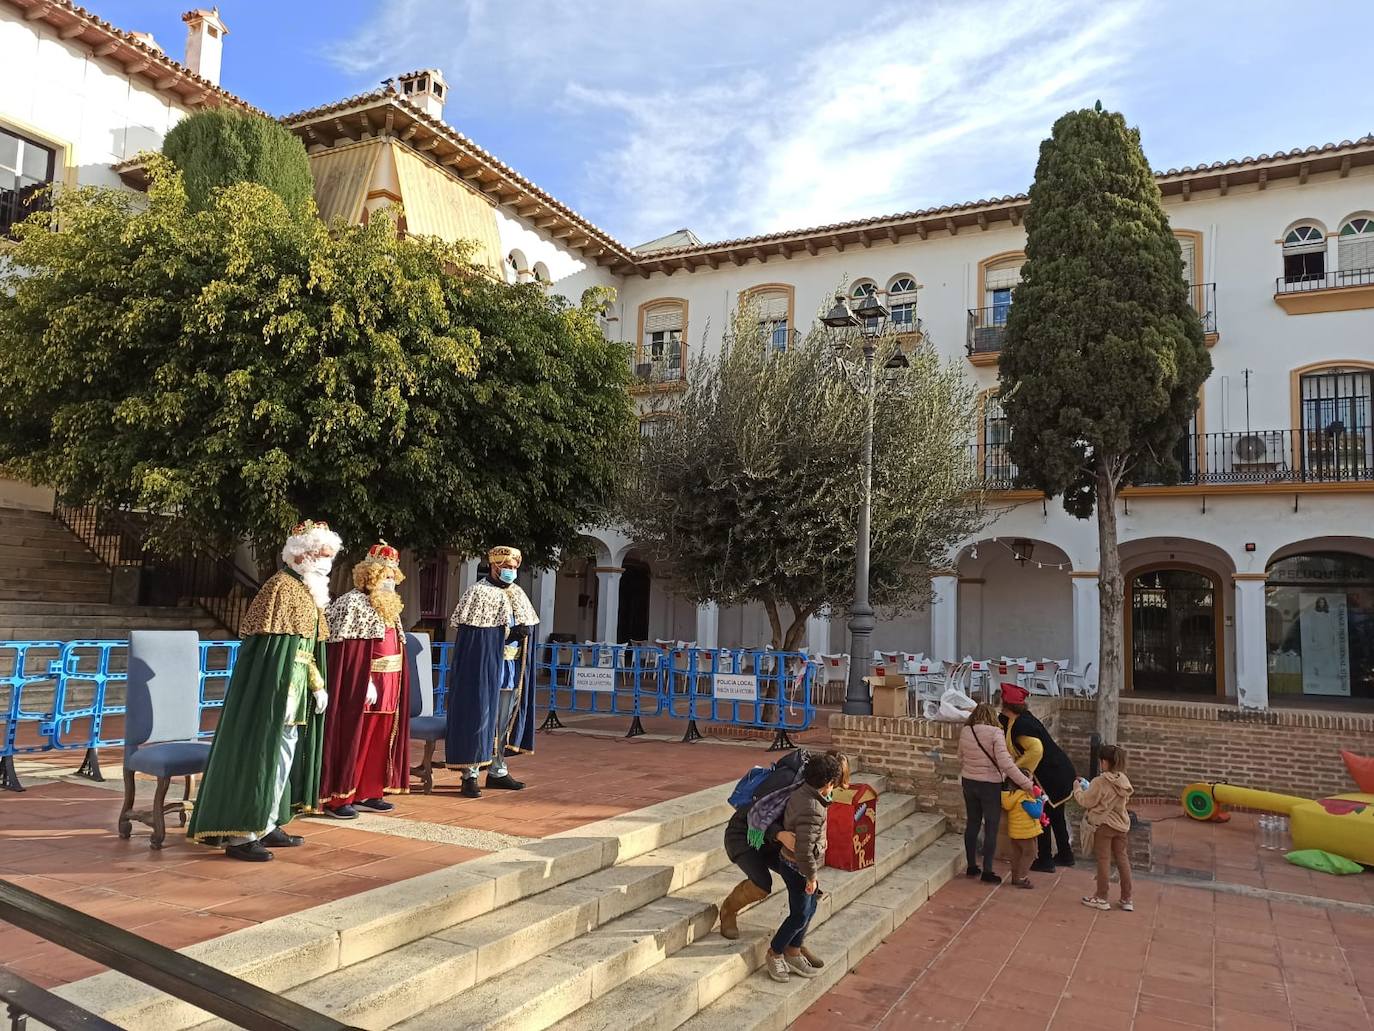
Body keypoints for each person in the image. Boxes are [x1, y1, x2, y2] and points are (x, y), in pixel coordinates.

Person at [188, 520, 340, 861]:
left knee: (282, 760)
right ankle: (243, 834)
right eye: (322, 555)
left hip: (295, 696)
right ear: (302, 555)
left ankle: (267, 821)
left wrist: (316, 685)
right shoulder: (281, 588)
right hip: (274, 694)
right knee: (263, 758)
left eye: (331, 556)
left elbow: (304, 652)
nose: (327, 563)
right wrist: (282, 690)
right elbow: (271, 656)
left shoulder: (306, 592)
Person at [718, 749, 850, 961]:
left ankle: (794, 944)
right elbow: (754, 811)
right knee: (762, 884)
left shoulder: (810, 788)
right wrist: (779, 834)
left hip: (773, 844)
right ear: (827, 778)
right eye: (834, 785)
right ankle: (728, 910)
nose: (831, 792)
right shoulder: (787, 779)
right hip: (745, 836)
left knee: (810, 893)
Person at [319, 541, 411, 818]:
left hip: (390, 683)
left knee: (380, 739)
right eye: (385, 575)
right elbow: (349, 653)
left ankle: (369, 791)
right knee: (356, 737)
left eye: (393, 576)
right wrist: (365, 680)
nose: (390, 581)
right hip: (364, 684)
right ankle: (341, 796)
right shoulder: (352, 603)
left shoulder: (390, 606)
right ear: (369, 575)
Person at [444, 546, 539, 798]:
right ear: (494, 567)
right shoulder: (478, 593)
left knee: (504, 719)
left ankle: (498, 770)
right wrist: (508, 634)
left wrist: (524, 635)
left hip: (511, 668)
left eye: (514, 568)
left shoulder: (518, 593)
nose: (510, 572)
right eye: (506, 567)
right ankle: (470, 774)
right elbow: (478, 638)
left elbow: (526, 627)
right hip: (484, 667)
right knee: (480, 717)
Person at [763, 751, 843, 983]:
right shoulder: (812, 808)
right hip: (798, 866)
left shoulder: (804, 794)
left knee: (810, 907)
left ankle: (794, 950)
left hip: (795, 863)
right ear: (828, 784)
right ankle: (775, 951)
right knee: (799, 915)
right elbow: (805, 849)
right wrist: (811, 877)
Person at [1000, 683, 1078, 872]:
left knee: (1042, 817)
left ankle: (1045, 859)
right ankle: (1066, 855)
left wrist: (1015, 770)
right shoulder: (1019, 719)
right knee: (1056, 816)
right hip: (1059, 771)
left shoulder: (1021, 725)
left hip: (1050, 776)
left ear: (1006, 705)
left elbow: (1036, 749)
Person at [959, 702, 1036, 883]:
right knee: (991, 827)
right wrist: (1026, 784)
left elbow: (960, 757)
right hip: (989, 785)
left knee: (972, 823)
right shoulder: (996, 733)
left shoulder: (966, 731)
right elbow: (1006, 764)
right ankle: (987, 871)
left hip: (969, 782)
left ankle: (971, 866)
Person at [1074, 744, 1135, 912]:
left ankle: (1101, 897)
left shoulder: (1100, 782)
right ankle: (1127, 898)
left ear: (1105, 762)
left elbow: (1086, 801)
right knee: (1123, 859)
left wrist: (1077, 789)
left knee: (1104, 860)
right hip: (1121, 825)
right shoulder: (1124, 780)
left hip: (1104, 825)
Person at [1001, 781, 1046, 888]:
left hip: (1015, 831)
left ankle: (1015, 877)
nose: (1032, 783)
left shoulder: (1012, 796)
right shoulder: (1024, 798)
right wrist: (1039, 799)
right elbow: (1036, 813)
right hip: (1026, 832)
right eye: (1030, 780)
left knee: (1017, 854)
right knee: (1030, 853)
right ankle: (1022, 878)